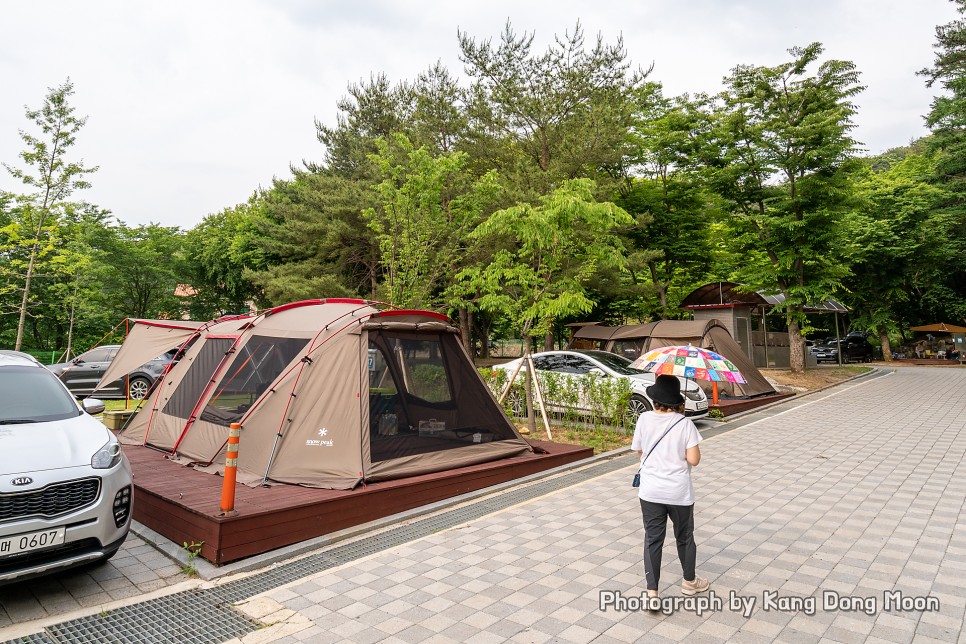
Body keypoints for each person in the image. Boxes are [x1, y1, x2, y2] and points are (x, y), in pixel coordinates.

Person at [632, 374, 709, 607]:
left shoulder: (644, 419)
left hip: (650, 491)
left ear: (654, 399)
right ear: (678, 401)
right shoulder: (684, 424)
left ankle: (652, 594)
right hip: (678, 492)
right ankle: (689, 583)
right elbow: (694, 460)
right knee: (684, 538)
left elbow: (639, 451)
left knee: (653, 539)